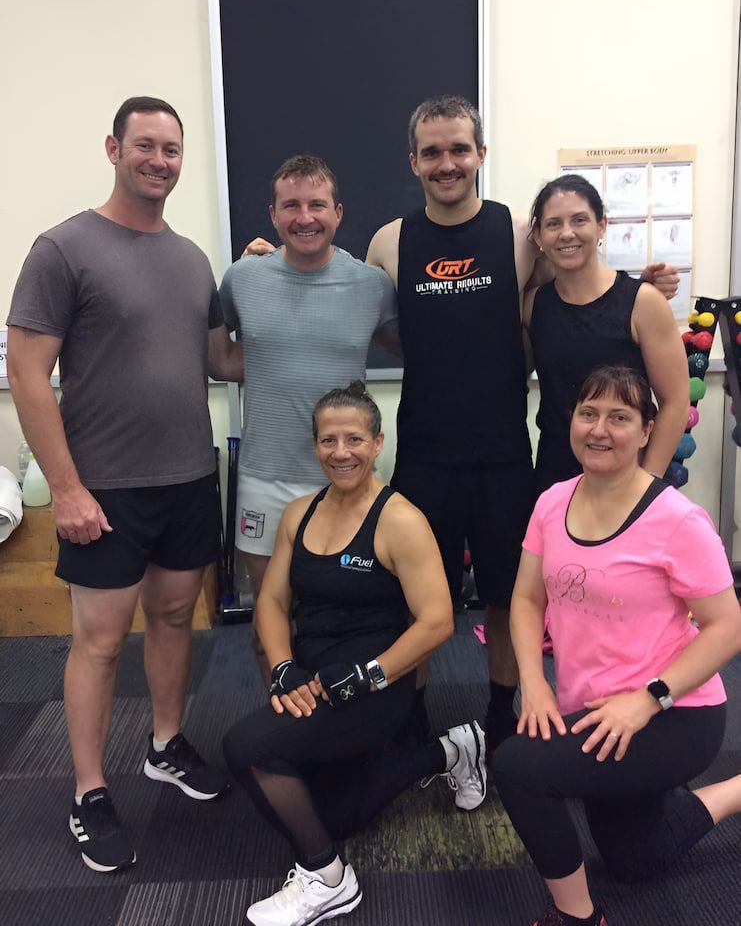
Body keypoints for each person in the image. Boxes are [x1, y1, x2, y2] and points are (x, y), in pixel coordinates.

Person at [365, 94, 679, 752]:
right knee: (424, 602)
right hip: (423, 452)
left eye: (458, 149)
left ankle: (504, 715)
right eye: (432, 152)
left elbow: (577, 285)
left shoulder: (516, 234)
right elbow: (368, 318)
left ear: (480, 154)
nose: (446, 162)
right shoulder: (388, 243)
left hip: (507, 454)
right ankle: (410, 720)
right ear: (413, 161)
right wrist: (269, 256)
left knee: (511, 598)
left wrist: (638, 286)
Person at [6, 97, 239, 873]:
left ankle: (166, 745)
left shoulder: (191, 259)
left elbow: (217, 362)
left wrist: (293, 289)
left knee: (175, 617)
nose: (160, 161)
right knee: (100, 643)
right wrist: (67, 490)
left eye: (172, 150)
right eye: (146, 146)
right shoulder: (63, 248)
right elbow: (27, 375)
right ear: (114, 148)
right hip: (103, 489)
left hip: (187, 476)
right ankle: (89, 791)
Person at [223, 382, 487, 926]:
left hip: (375, 687)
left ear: (377, 443)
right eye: (328, 441)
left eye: (354, 440)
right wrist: (282, 668)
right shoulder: (300, 513)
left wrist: (368, 676)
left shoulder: (400, 520)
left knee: (246, 746)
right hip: (314, 680)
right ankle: (450, 751)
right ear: (315, 445)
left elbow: (437, 620)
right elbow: (271, 600)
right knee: (336, 814)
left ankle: (326, 877)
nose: (340, 452)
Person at [490, 365, 741, 926]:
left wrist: (649, 698)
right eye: (589, 413)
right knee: (635, 861)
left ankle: (578, 917)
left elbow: (728, 626)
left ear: (647, 431)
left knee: (518, 768)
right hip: (597, 708)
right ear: (571, 421)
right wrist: (532, 681)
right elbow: (528, 600)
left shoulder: (677, 520)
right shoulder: (553, 502)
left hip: (674, 712)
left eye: (620, 417)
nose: (600, 429)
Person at [219, 155, 399, 675]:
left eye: (317, 205)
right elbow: (220, 356)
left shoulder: (371, 285)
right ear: (272, 215)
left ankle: (344, 727)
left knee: (353, 622)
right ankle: (286, 728)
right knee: (271, 628)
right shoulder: (243, 279)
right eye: (291, 206)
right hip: (265, 477)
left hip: (348, 479)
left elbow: (412, 346)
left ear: (338, 213)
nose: (305, 217)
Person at [525, 174, 689, 494]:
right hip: (555, 478)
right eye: (553, 224)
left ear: (601, 226)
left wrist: (647, 484)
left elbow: (676, 401)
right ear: (538, 236)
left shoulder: (643, 303)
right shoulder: (533, 305)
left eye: (580, 220)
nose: (567, 233)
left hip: (627, 477)